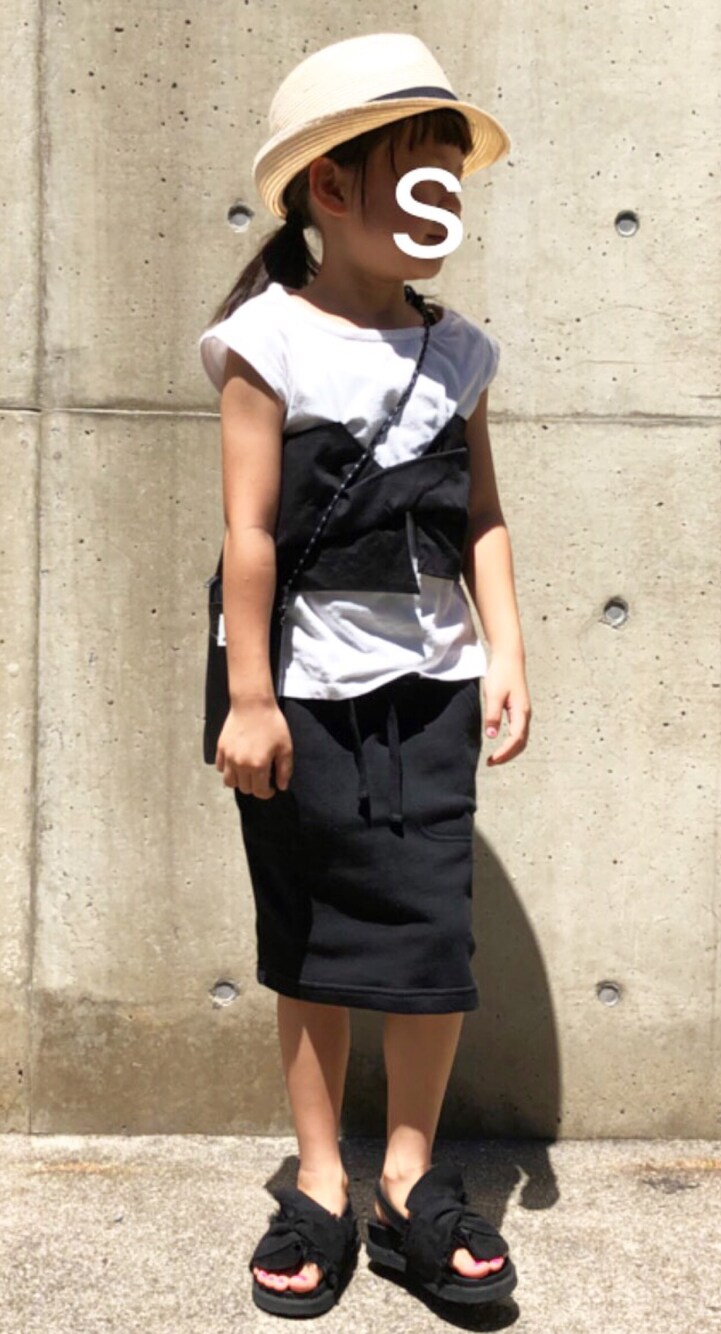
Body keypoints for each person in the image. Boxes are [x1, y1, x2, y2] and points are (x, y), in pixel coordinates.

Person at [197, 31, 529, 1319]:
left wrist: (506, 650)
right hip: (294, 690)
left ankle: (406, 1177)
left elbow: (480, 512)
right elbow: (248, 535)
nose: (441, 202)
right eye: (416, 175)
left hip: (431, 684)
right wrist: (249, 698)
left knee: (431, 936)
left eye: (452, 178)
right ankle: (322, 1181)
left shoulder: (463, 353)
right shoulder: (265, 341)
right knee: (311, 937)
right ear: (331, 190)